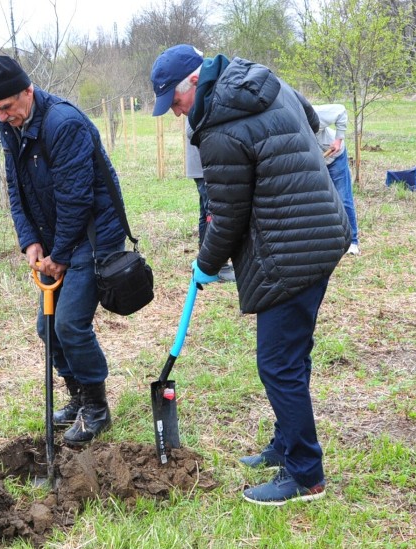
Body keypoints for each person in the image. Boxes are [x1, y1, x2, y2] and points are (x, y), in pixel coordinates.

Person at [151, 45, 351, 505]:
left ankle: (305, 476)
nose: (177, 113)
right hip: (323, 230)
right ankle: (286, 446)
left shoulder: (220, 128)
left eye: (176, 102)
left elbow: (228, 214)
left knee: (277, 363)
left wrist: (204, 263)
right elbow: (309, 115)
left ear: (195, 83)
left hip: (292, 250)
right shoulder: (259, 79)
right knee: (290, 356)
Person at [0, 55, 127, 446]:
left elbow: (76, 199)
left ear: (28, 91)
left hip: (92, 235)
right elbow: (17, 189)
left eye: (8, 107)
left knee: (69, 324)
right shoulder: (8, 126)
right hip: (55, 237)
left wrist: (58, 256)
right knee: (48, 326)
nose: (3, 117)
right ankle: (77, 398)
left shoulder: (64, 124)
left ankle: (97, 407)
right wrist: (30, 241)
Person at [184, 118, 235, 282]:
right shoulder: (199, 101)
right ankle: (217, 266)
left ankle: (205, 260)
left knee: (206, 212)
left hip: (201, 165)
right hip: (204, 165)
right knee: (212, 213)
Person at [314, 104, 360, 255]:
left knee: (343, 198)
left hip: (335, 157)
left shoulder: (314, 114)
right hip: (315, 162)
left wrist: (339, 139)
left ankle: (353, 242)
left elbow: (341, 110)